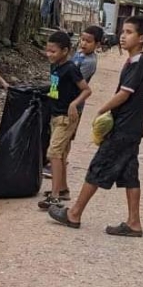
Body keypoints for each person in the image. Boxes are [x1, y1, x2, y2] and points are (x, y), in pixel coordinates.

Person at [48, 16, 143, 237]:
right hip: (132, 129)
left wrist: (101, 110)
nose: (123, 36)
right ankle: (134, 223)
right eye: (122, 31)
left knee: (98, 167)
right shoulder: (138, 62)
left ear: (141, 38)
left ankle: (74, 214)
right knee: (129, 174)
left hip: (124, 128)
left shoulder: (138, 64)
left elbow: (124, 94)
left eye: (129, 32)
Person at [38, 31, 91, 210]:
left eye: (53, 51)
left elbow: (86, 90)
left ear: (65, 51)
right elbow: (54, 89)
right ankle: (62, 190)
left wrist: (74, 104)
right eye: (48, 51)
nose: (49, 54)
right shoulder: (55, 67)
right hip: (55, 115)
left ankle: (54, 197)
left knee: (53, 153)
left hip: (66, 118)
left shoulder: (70, 68)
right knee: (60, 154)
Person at [43, 25, 103, 180]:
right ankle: (61, 181)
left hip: (73, 105)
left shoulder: (89, 62)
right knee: (61, 142)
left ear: (97, 45)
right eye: (82, 39)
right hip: (61, 102)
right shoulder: (78, 55)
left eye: (88, 41)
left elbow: (75, 82)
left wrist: (72, 103)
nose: (83, 43)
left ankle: (57, 167)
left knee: (64, 140)